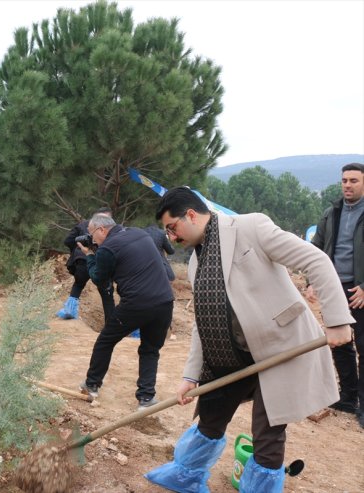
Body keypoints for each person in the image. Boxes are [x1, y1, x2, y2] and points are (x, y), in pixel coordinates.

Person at [146, 186, 353, 492]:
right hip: (230, 355)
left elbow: (317, 261)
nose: (172, 238)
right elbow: (202, 324)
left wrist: (336, 319)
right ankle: (187, 475)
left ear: (190, 215)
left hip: (280, 349)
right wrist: (190, 375)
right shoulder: (194, 263)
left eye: (173, 228)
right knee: (210, 416)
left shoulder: (250, 227)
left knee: (267, 434)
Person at [77, 214, 174, 409]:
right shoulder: (139, 233)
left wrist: (89, 255)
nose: (92, 239)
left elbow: (98, 277)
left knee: (106, 340)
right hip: (165, 300)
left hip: (136, 303)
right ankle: (146, 398)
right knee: (150, 349)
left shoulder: (107, 249)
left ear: (102, 230)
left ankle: (92, 384)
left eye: (92, 234)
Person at [309, 162, 364, 428]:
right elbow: (315, 248)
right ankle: (347, 398)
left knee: (363, 347)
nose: (347, 185)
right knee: (340, 344)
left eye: (353, 180)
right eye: (344, 180)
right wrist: (312, 281)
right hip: (334, 288)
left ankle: (363, 405)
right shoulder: (332, 212)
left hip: (360, 289)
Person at [56, 207, 115, 323]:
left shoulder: (83, 224)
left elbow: (68, 240)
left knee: (78, 284)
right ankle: (111, 323)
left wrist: (77, 250)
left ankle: (70, 310)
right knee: (106, 293)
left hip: (81, 260)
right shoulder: (110, 229)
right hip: (100, 260)